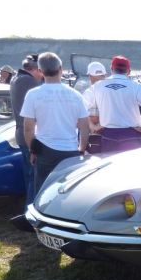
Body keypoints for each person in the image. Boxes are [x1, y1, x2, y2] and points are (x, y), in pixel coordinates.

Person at [20, 52, 89, 194]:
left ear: (40, 71)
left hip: (45, 150)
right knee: (68, 191)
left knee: (43, 191)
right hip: (70, 150)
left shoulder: (33, 94)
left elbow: (28, 129)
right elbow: (84, 128)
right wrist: (81, 148)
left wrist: (32, 150)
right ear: (61, 69)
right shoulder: (75, 95)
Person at [86, 55, 141, 153]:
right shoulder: (136, 86)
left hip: (109, 135)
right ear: (129, 71)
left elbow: (80, 107)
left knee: (110, 167)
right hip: (132, 135)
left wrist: (92, 126)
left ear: (111, 69)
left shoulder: (98, 86)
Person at [10, 54, 44, 206]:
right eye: (40, 71)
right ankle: (31, 210)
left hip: (21, 133)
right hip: (29, 134)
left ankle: (28, 207)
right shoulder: (29, 81)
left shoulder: (16, 78)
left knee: (29, 175)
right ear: (35, 69)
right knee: (34, 177)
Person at [82, 61, 107, 132]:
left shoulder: (89, 92)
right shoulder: (112, 90)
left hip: (93, 132)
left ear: (90, 76)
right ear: (105, 75)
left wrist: (93, 126)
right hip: (110, 131)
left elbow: (81, 112)